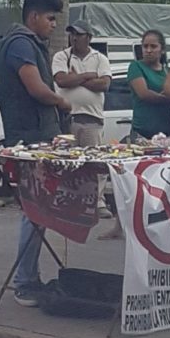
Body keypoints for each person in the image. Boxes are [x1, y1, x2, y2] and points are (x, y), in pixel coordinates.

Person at [0, 0, 71, 307]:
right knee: (34, 211)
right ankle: (25, 282)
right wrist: (62, 102)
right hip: (28, 139)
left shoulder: (28, 43)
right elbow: (35, 87)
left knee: (39, 211)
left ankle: (31, 277)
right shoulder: (21, 44)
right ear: (34, 17)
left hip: (39, 136)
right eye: (51, 18)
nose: (54, 25)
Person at [52, 19, 113, 219]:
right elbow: (61, 80)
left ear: (88, 37)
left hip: (91, 116)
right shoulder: (62, 56)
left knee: (93, 162)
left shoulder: (100, 58)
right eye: (72, 34)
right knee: (67, 161)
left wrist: (76, 78)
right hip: (66, 116)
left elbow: (104, 84)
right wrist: (88, 76)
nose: (74, 38)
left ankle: (97, 202)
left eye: (79, 34)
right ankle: (67, 202)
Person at [126, 30, 170, 139]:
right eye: (145, 46)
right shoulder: (136, 66)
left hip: (168, 134)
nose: (148, 50)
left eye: (153, 46)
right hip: (142, 134)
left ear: (162, 50)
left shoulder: (169, 71)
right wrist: (168, 98)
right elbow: (144, 94)